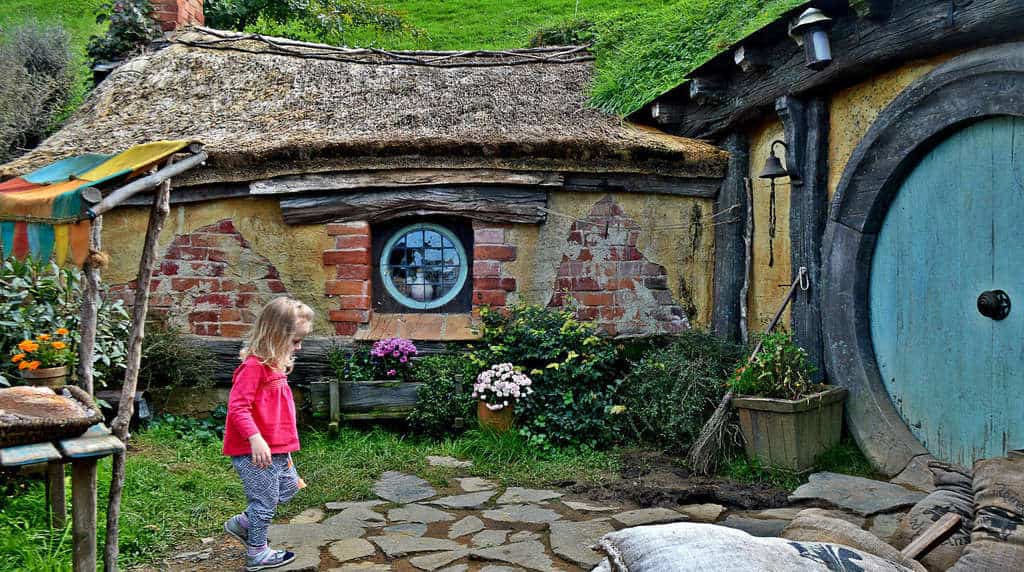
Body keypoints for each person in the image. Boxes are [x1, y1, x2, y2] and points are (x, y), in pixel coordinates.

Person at [222, 296, 314, 571]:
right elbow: (238, 407)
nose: (299, 347)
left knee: (288, 489)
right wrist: (255, 437)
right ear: (274, 335)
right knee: (264, 503)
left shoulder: (274, 364)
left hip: (278, 448)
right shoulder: (253, 367)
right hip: (257, 452)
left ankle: (242, 523)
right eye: (295, 341)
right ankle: (257, 553)